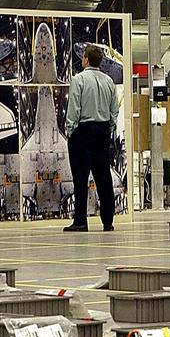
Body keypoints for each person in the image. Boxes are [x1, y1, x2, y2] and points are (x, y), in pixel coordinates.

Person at [63, 45, 121, 232]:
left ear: (86, 59)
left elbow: (74, 109)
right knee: (103, 177)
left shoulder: (78, 80)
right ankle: (108, 221)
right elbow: (114, 110)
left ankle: (80, 220)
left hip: (83, 131)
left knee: (80, 178)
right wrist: (109, 128)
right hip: (102, 131)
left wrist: (71, 130)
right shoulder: (109, 81)